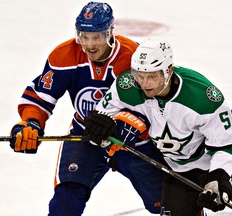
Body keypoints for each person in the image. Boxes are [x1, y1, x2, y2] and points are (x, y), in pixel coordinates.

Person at [84, 39, 232, 216]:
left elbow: (229, 144)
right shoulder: (127, 87)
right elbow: (103, 113)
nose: (144, 83)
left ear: (168, 71)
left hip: (229, 162)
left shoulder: (202, 97)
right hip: (181, 170)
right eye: (139, 76)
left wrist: (218, 178)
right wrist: (101, 126)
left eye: (151, 77)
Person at [9, 2, 167, 215]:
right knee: (65, 203)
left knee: (170, 203)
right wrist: (31, 123)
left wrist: (131, 124)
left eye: (97, 37)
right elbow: (39, 98)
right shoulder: (64, 56)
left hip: (132, 139)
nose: (90, 45)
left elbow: (156, 102)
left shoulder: (133, 57)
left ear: (110, 33)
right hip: (86, 135)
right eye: (84, 36)